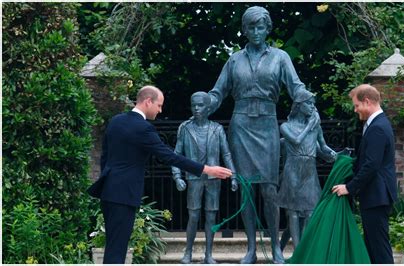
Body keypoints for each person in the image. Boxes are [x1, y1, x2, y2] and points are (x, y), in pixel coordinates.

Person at [207, 6, 312, 263]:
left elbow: (295, 87)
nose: (256, 32)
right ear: (244, 29)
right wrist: (202, 106)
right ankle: (251, 249)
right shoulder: (234, 60)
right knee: (245, 190)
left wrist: (308, 103)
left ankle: (276, 248)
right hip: (241, 126)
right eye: (251, 27)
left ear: (268, 29)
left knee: (268, 189)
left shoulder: (280, 57)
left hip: (266, 124)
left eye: (260, 27)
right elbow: (218, 92)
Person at [87, 86, 233, 264]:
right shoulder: (143, 128)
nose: (160, 110)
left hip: (108, 192)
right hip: (125, 194)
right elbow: (170, 156)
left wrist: (109, 181)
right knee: (118, 250)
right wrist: (207, 169)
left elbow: (105, 157)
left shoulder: (116, 121)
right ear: (148, 101)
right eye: (159, 105)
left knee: (113, 245)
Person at [332, 84, 398, 264]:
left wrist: (349, 187)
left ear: (367, 102)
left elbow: (371, 165)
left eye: (356, 105)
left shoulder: (377, 127)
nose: (355, 110)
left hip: (378, 196)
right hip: (375, 196)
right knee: (372, 246)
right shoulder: (376, 124)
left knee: (379, 248)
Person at [171, 92, 238, 264]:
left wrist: (233, 176)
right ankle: (188, 253)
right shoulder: (185, 128)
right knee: (193, 216)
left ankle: (209, 254)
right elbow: (176, 155)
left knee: (211, 217)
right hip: (193, 178)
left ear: (208, 108)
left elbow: (226, 153)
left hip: (214, 180)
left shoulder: (217, 129)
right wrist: (177, 176)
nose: (196, 108)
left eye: (200, 105)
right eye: (194, 105)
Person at [276, 90, 337, 249]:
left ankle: (306, 248)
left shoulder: (315, 128)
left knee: (310, 211)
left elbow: (323, 147)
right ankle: (297, 251)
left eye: (313, 104)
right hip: (293, 169)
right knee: (293, 213)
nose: (312, 107)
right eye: (308, 103)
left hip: (309, 170)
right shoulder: (286, 126)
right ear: (298, 105)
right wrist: (310, 126)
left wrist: (334, 155)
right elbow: (296, 141)